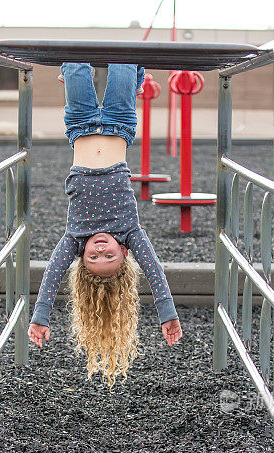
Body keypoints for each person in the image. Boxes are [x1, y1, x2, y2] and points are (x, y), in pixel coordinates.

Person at [28, 61, 183, 389]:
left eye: (92, 258)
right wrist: (167, 313)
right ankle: (135, 78)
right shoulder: (131, 231)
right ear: (124, 252)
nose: (99, 251)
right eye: (108, 257)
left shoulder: (75, 237)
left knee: (76, 67)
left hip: (80, 126)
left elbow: (53, 274)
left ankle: (97, 78)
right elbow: (154, 270)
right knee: (123, 64)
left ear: (81, 255)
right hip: (119, 124)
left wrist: (41, 316)